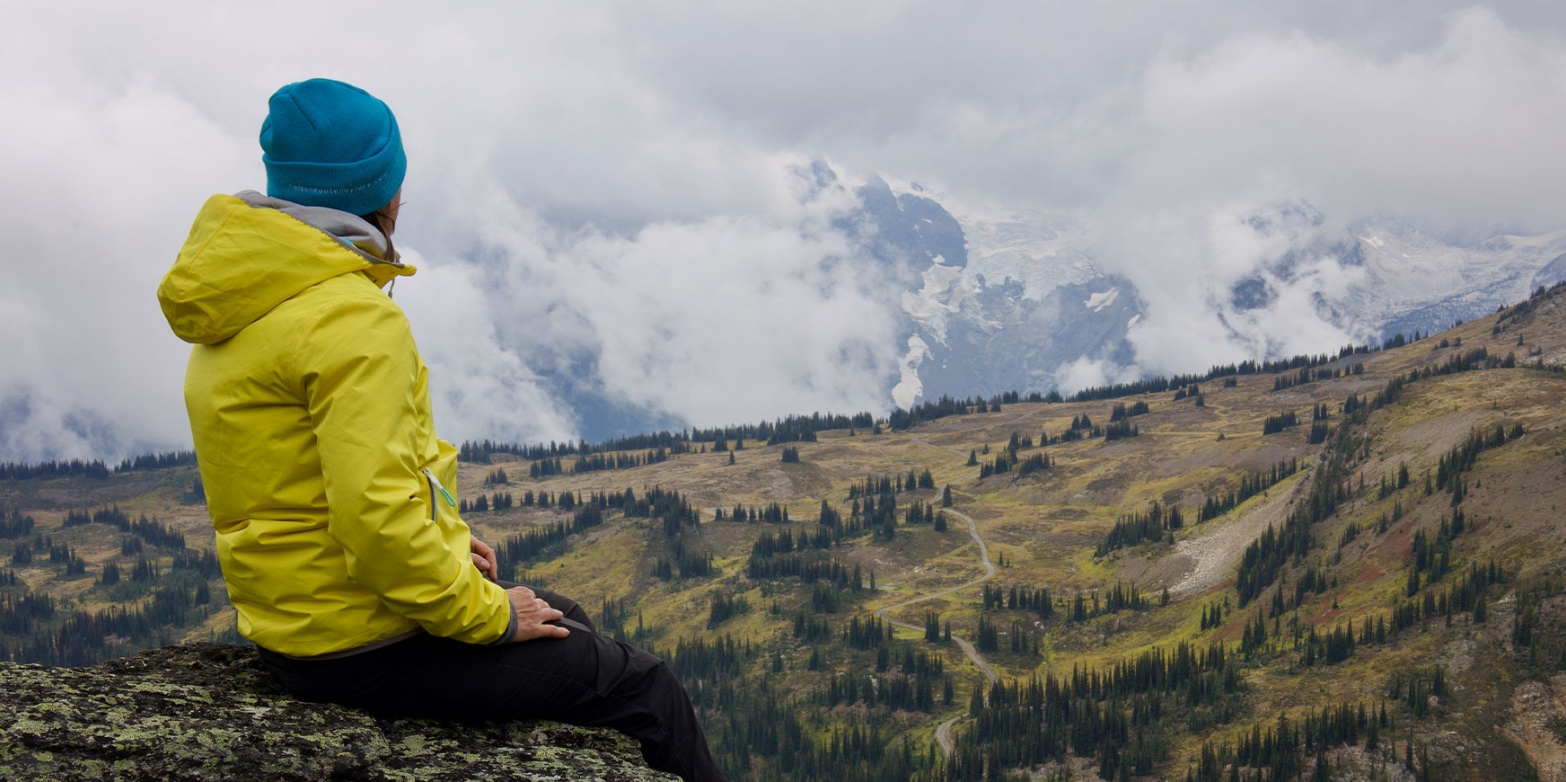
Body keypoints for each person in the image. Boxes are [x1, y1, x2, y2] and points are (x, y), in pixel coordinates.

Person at [156, 78, 724, 782]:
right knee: (647, 688)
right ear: (384, 191)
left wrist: (450, 542)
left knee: (564, 615)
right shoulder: (350, 318)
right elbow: (374, 520)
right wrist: (486, 617)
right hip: (364, 645)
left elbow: (310, 483)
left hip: (295, 626)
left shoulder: (244, 305)